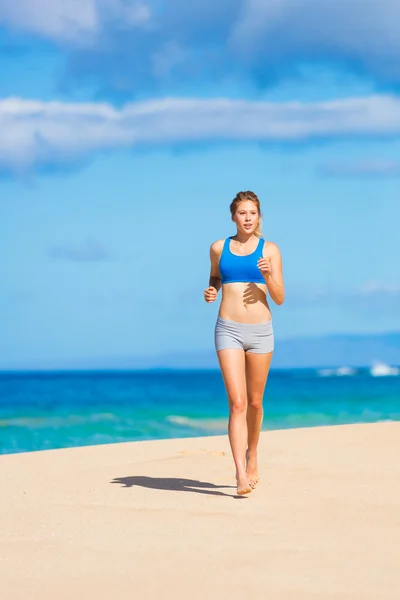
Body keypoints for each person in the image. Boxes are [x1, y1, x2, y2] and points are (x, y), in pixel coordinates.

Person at [204, 191, 284, 495]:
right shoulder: (218, 248)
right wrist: (212, 291)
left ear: (259, 216)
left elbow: (279, 297)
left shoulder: (271, 251)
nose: (247, 218)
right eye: (242, 213)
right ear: (233, 216)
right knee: (237, 403)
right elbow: (215, 278)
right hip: (228, 330)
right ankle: (239, 472)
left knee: (254, 402)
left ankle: (253, 454)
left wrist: (268, 276)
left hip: (261, 331)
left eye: (252, 213)